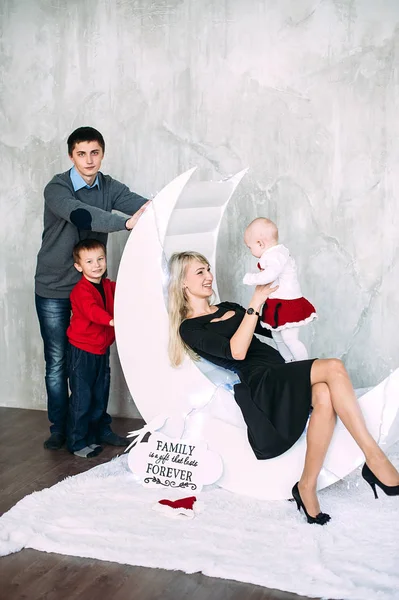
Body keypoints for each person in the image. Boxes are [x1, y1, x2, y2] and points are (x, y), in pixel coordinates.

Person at [167, 251, 399, 525]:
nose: (208, 277)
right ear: (183, 282)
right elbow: (237, 351)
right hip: (261, 382)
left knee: (324, 393)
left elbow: (271, 329)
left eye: (207, 269)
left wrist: (292, 306)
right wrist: (254, 303)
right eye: (200, 272)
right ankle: (374, 458)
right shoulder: (190, 328)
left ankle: (306, 487)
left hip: (277, 369)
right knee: (334, 367)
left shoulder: (227, 306)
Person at [35, 126, 149, 450]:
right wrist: (125, 223)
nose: (89, 160)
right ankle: (61, 427)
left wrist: (162, 208)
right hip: (55, 286)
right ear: (71, 156)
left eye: (95, 152)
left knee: (96, 358)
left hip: (92, 285)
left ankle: (98, 426)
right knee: (58, 362)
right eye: (82, 153)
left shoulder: (108, 186)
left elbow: (144, 207)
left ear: (102, 154)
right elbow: (82, 215)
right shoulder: (56, 188)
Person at [66, 239, 117, 458]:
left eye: (100, 259)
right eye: (89, 261)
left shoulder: (107, 286)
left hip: (101, 349)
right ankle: (77, 442)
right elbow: (92, 310)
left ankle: (96, 434)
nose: (96, 265)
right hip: (82, 351)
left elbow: (125, 292)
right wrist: (113, 321)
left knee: (100, 394)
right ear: (79, 266)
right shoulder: (81, 291)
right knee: (82, 397)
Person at [243, 217, 316, 362]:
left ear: (260, 243)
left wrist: (251, 278)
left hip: (288, 304)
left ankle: (305, 365)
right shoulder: (275, 253)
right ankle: (289, 361)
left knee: (290, 338)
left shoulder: (276, 256)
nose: (250, 251)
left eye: (249, 247)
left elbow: (270, 274)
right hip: (277, 303)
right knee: (278, 337)